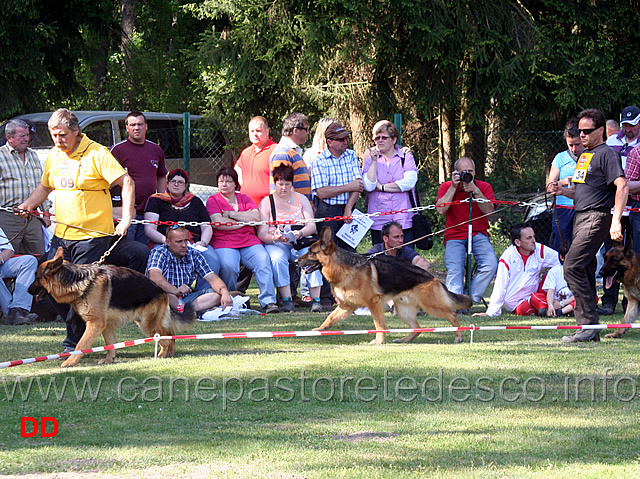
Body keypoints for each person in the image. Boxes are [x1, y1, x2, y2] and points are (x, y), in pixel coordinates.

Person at [17, 108, 135, 351]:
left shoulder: (97, 153)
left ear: (76, 130)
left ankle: (73, 345)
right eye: (53, 135)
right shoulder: (54, 155)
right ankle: (77, 335)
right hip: (62, 237)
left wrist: (126, 218)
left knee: (81, 294)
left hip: (92, 239)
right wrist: (28, 205)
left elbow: (127, 182)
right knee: (49, 285)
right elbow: (45, 187)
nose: (58, 140)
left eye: (62, 135)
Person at [548, 108, 628, 342]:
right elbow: (583, 191)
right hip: (580, 215)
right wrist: (563, 190)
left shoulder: (607, 154)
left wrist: (615, 221)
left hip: (597, 218)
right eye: (580, 131)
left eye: (587, 131)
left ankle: (588, 326)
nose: (581, 135)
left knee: (571, 266)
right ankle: (590, 330)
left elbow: (621, 186)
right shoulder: (586, 156)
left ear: (601, 130)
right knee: (584, 268)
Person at [207, 167, 279, 313]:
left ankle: (268, 301)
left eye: (228, 181)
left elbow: (256, 217)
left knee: (263, 261)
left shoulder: (244, 198)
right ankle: (231, 300)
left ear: (235, 184)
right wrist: (244, 221)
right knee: (229, 266)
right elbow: (219, 223)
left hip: (249, 241)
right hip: (224, 242)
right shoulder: (213, 200)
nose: (224, 184)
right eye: (221, 181)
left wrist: (229, 214)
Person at [257, 164, 323, 312]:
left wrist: (299, 233)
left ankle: (316, 300)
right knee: (277, 258)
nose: (284, 188)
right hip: (277, 243)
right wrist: (275, 237)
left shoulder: (302, 199)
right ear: (275, 183)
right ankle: (287, 299)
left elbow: (312, 226)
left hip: (300, 241)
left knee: (312, 256)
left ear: (292, 184)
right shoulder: (267, 202)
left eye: (287, 184)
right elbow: (262, 233)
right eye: (280, 184)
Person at [436, 157, 498, 305]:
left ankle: (471, 298)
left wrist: (475, 191)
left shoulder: (484, 186)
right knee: (454, 269)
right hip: (454, 235)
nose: (467, 175)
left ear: (475, 173)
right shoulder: (446, 186)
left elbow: (489, 211)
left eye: (470, 171)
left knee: (491, 264)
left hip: (478, 233)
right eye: (463, 172)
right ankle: (456, 304)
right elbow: (440, 210)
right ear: (456, 172)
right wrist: (453, 187)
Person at [144, 168, 220, 277]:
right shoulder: (157, 201)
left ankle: (203, 292)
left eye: (180, 182)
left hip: (194, 243)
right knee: (156, 261)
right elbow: (149, 229)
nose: (176, 185)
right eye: (173, 181)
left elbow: (206, 226)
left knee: (213, 260)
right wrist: (166, 241)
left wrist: (203, 243)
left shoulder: (195, 202)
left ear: (185, 185)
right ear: (167, 183)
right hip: (165, 242)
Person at [473, 224, 559, 317]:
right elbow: (500, 285)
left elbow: (562, 261)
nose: (534, 241)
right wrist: (491, 312)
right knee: (523, 308)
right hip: (516, 303)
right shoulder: (507, 257)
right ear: (518, 242)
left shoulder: (540, 250)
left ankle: (550, 305)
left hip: (536, 295)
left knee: (553, 273)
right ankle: (549, 307)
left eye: (534, 237)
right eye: (529, 238)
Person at [111, 111, 168, 244]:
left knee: (144, 252)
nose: (137, 128)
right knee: (128, 251)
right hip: (125, 213)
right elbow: (110, 182)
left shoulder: (155, 149)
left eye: (140, 124)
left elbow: (161, 176)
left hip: (148, 212)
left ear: (146, 126)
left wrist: (161, 200)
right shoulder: (118, 150)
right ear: (127, 128)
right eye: (133, 125)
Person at [147, 226, 232, 313]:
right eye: (179, 241)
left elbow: (212, 277)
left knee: (217, 295)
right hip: (165, 295)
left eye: (186, 241)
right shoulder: (159, 252)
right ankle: (188, 311)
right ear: (168, 242)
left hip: (187, 298)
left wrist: (225, 292)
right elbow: (155, 277)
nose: (184, 245)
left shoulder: (193, 253)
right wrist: (175, 290)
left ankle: (183, 311)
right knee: (166, 296)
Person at [363, 120, 418, 246]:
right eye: (377, 138)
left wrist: (381, 187)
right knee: (381, 260)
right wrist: (374, 161)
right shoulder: (370, 161)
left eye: (384, 137)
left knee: (404, 258)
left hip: (403, 218)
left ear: (394, 140)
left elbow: (409, 182)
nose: (379, 141)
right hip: (378, 220)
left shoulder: (406, 157)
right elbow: (369, 185)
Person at [0, 119, 50, 255]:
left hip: (32, 215)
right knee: (9, 257)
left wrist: (45, 213)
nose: (27, 139)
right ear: (9, 137)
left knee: (40, 255)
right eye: (22, 136)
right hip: (8, 216)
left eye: (27, 135)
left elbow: (43, 186)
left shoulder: (33, 155)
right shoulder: (1, 156)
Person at [546, 118, 583, 250]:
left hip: (582, 208)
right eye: (570, 145)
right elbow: (549, 186)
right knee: (561, 244)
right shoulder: (560, 158)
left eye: (577, 144)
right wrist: (562, 182)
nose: (574, 149)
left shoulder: (590, 156)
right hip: (563, 209)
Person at [234, 116, 277, 207]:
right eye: (252, 131)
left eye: (258, 131)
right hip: (246, 207)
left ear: (267, 131)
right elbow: (237, 167)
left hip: (268, 207)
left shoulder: (276, 150)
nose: (255, 134)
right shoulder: (246, 152)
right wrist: (244, 183)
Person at [0, 226, 38, 324]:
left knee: (29, 261)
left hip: (1, 265)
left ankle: (20, 308)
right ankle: (11, 313)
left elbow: (8, 250)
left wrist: (0, 259)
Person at [269, 112, 312, 200]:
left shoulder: (292, 151)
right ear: (295, 131)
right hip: (290, 210)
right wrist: (301, 206)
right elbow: (283, 185)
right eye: (306, 129)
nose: (308, 133)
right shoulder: (283, 152)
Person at [365, 221, 430, 271]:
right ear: (385, 238)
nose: (401, 240)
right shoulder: (376, 250)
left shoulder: (405, 250)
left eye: (402, 236)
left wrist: (409, 274)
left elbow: (424, 263)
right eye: (396, 237)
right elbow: (363, 263)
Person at [533, 247, 577, 318]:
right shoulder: (554, 271)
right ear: (562, 257)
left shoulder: (579, 270)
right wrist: (551, 304)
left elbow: (580, 294)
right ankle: (549, 309)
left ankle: (560, 312)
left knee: (590, 297)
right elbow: (550, 291)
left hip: (570, 301)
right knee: (534, 297)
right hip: (555, 301)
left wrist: (562, 304)